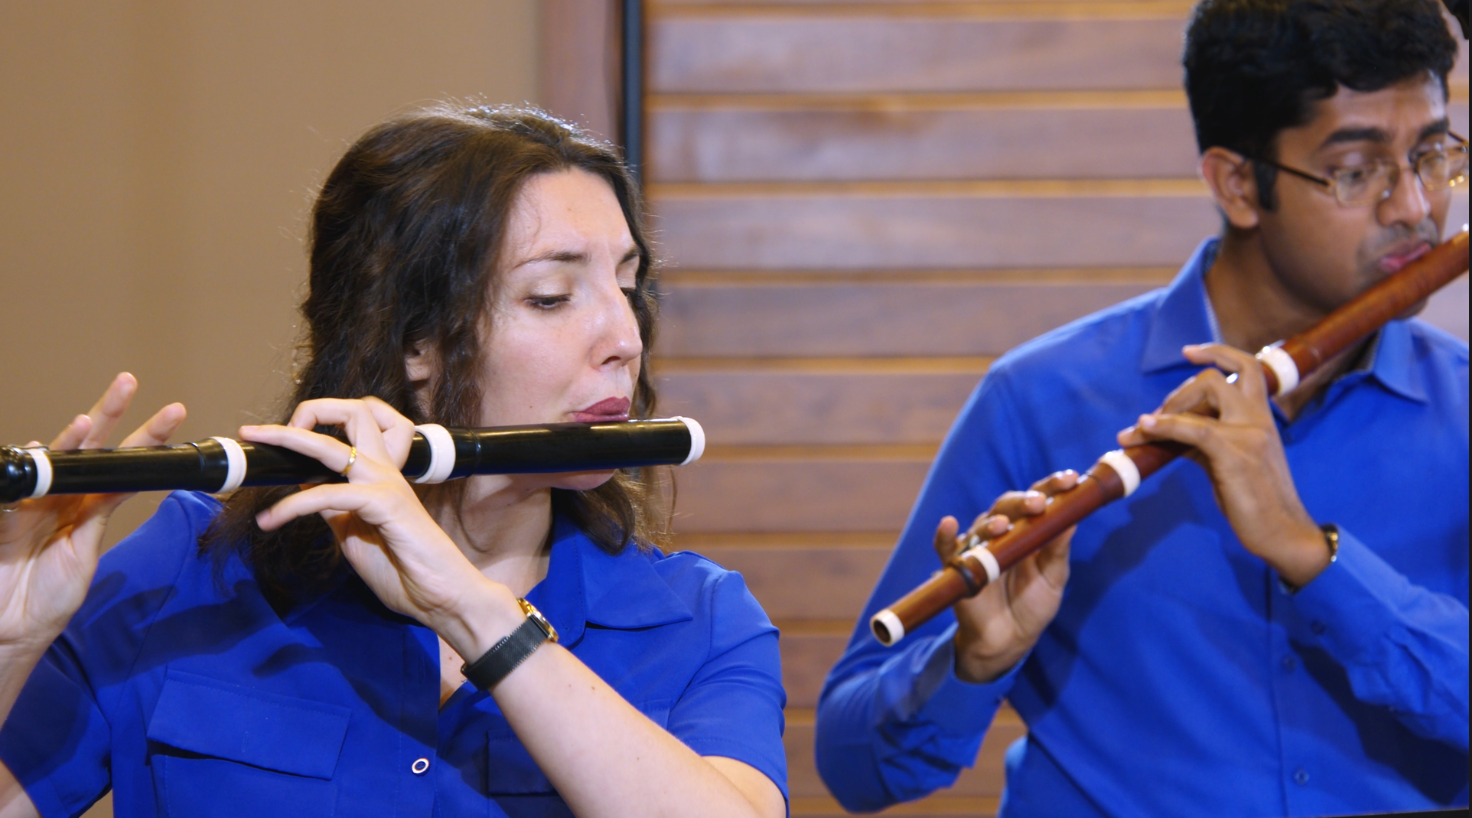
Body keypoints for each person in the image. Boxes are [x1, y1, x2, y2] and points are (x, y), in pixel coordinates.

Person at [0, 105, 787, 818]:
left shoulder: (702, 620)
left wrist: (475, 614)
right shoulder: (189, 571)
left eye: (629, 288)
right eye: (552, 296)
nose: (625, 339)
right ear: (416, 342)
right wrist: (11, 646)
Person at [814, 0, 1469, 815]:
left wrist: (1313, 555)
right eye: (1358, 170)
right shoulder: (1042, 397)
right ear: (1237, 183)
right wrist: (969, 663)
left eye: (1432, 154)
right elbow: (852, 767)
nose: (1415, 206)